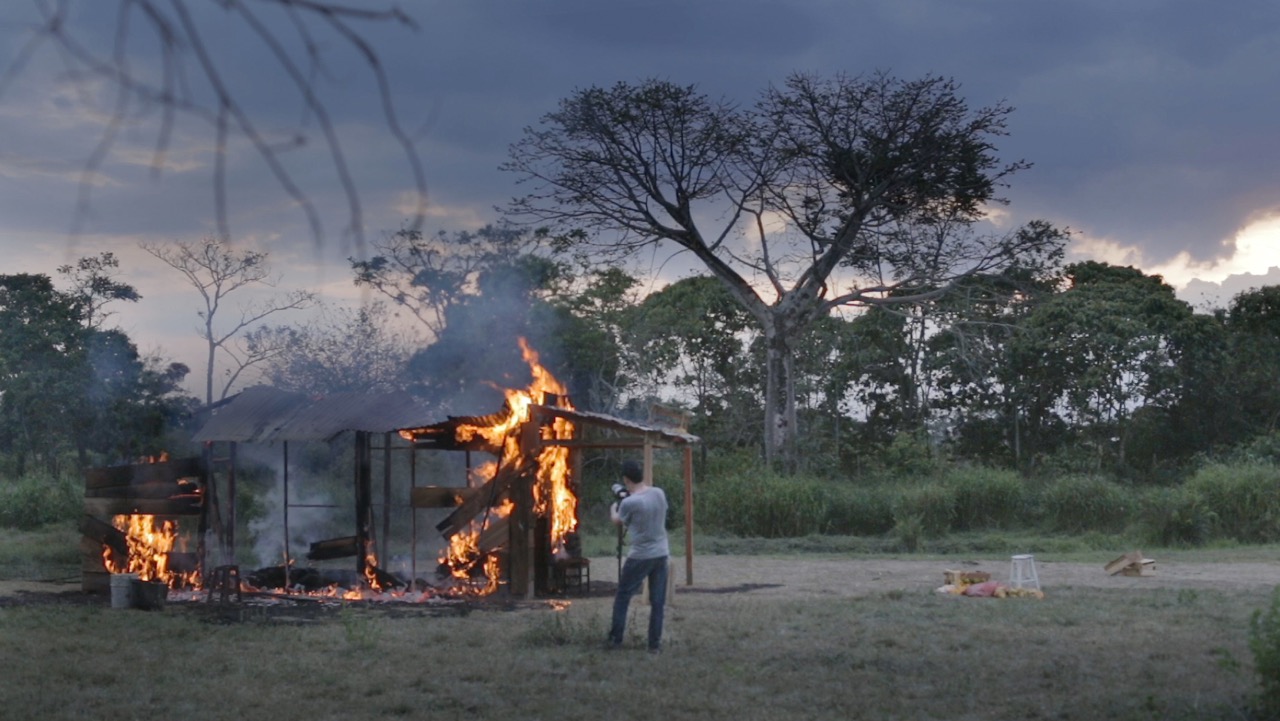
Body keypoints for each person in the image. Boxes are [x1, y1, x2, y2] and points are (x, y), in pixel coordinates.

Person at [606, 459, 670, 653]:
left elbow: (618, 521)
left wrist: (613, 508)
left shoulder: (629, 502)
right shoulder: (658, 493)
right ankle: (654, 645)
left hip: (640, 555)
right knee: (658, 602)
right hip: (661, 553)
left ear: (626, 479)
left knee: (623, 596)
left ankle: (615, 640)